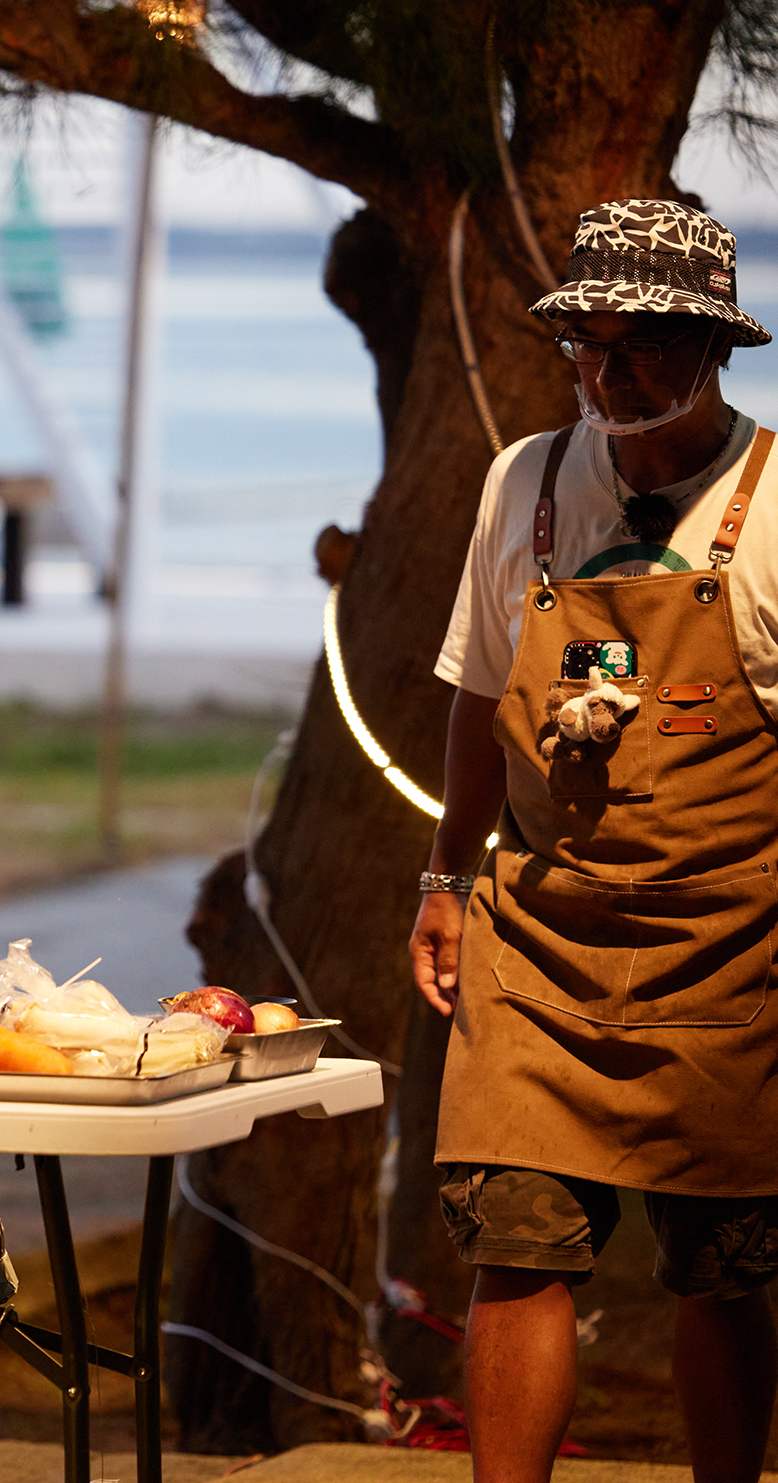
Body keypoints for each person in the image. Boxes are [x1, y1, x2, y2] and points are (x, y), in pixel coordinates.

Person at [412, 199, 778, 1483]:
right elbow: (475, 697)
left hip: (730, 949)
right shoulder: (525, 479)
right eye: (588, 344)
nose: (607, 373)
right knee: (511, 1240)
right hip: (544, 943)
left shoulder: (776, 503)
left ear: (712, 351)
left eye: (641, 347)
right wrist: (449, 879)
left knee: (724, 1269)